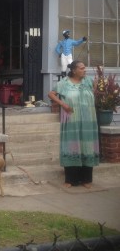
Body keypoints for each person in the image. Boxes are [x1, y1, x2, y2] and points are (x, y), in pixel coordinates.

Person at [48, 60, 99, 189]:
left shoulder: (87, 81)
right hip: (71, 120)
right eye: (82, 68)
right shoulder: (64, 83)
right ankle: (71, 180)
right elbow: (51, 94)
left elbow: (93, 92)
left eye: (85, 68)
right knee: (72, 145)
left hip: (88, 120)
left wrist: (96, 86)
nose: (85, 70)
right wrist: (63, 104)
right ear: (74, 70)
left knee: (87, 145)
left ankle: (86, 179)